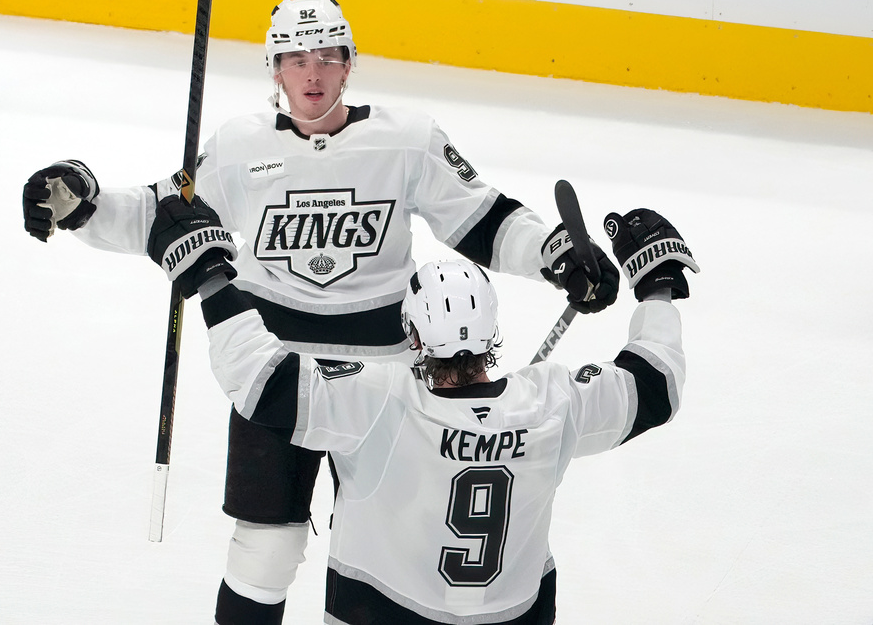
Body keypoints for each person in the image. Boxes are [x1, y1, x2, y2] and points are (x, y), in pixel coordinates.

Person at [21, 0, 620, 624]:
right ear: (274, 69)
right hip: (276, 376)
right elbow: (161, 213)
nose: (313, 74)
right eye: (297, 59)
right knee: (264, 550)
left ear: (350, 64)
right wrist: (82, 204)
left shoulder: (408, 140)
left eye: (328, 58)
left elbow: (484, 217)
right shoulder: (236, 148)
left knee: (389, 548)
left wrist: (554, 253)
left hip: (387, 389)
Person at [162, 199, 698, 624]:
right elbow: (655, 385)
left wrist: (209, 277)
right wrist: (657, 286)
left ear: (412, 332)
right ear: (492, 331)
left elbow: (261, 381)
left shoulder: (379, 400)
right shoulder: (552, 401)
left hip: (382, 613)